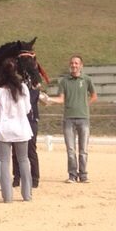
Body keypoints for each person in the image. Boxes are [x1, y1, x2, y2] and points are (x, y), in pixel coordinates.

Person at [46, 54, 97, 183]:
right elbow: (61, 99)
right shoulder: (64, 81)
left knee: (83, 149)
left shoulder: (86, 80)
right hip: (68, 119)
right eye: (72, 63)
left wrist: (85, 105)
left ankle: (83, 174)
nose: (74, 65)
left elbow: (94, 96)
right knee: (70, 149)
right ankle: (72, 175)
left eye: (76, 63)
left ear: (81, 65)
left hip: (83, 118)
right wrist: (49, 99)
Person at [0, 57, 33, 203]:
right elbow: (28, 109)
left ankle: (7, 196)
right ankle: (27, 195)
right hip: (21, 128)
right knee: (23, 160)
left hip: (4, 129)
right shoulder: (23, 88)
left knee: (4, 161)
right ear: (16, 71)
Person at [12, 80, 41, 189]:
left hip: (31, 121)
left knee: (31, 150)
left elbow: (29, 102)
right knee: (15, 151)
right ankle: (16, 177)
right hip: (18, 121)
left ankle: (35, 178)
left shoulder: (34, 89)